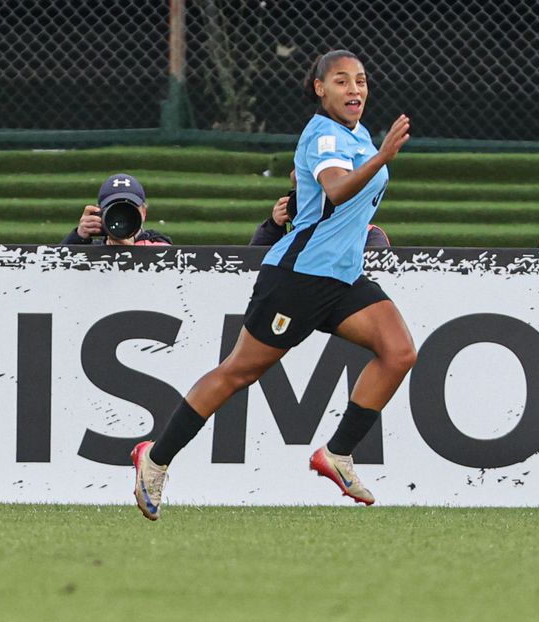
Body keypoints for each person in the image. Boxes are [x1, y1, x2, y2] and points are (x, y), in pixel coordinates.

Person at [131, 49, 416, 519]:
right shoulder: (325, 133)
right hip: (298, 278)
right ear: (320, 89)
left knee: (399, 351)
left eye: (361, 81)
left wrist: (336, 165)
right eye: (341, 82)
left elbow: (320, 184)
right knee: (239, 372)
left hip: (341, 277)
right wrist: (383, 156)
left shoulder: (357, 135)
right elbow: (338, 188)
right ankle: (155, 458)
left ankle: (337, 453)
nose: (355, 89)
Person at [250, 169, 391, 247]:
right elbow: (251, 261)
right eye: (303, 195)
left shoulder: (368, 234)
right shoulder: (291, 230)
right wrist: (274, 226)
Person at [60, 173, 171, 246]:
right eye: (113, 208)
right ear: (99, 213)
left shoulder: (159, 247)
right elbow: (57, 272)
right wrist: (78, 238)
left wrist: (136, 254)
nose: (122, 216)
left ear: (143, 212)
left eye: (130, 209)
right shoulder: (91, 250)